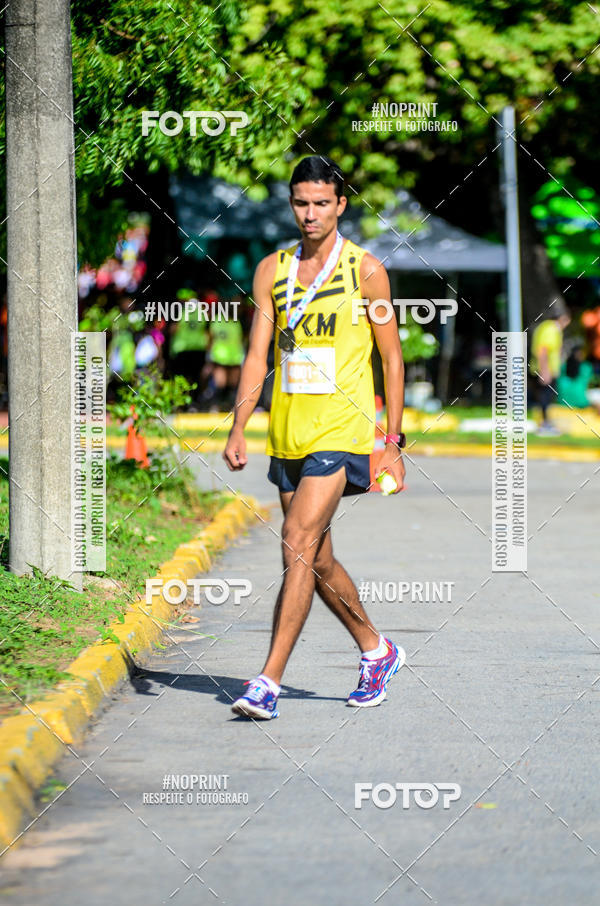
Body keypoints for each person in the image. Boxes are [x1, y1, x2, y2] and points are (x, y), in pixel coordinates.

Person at [222, 155, 407, 719]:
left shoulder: (365, 270)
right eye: (301, 203)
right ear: (291, 205)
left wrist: (392, 444)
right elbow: (257, 355)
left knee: (296, 541)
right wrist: (238, 424)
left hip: (342, 430)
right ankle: (377, 649)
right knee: (317, 558)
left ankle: (268, 682)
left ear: (340, 205)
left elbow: (391, 359)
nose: (311, 213)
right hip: (288, 432)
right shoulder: (270, 271)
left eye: (321, 203)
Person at [529, 311, 571, 435]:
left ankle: (545, 423)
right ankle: (544, 425)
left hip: (542, 368)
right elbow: (543, 350)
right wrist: (545, 371)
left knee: (545, 397)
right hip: (546, 369)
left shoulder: (544, 327)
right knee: (545, 397)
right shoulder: (551, 329)